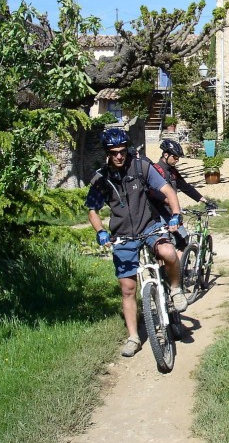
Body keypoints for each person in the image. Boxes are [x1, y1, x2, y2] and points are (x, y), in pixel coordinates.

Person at [85, 128, 188, 358]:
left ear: (127, 149)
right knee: (128, 288)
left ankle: (175, 288)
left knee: (169, 252)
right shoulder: (102, 179)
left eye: (122, 151)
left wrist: (175, 214)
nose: (119, 157)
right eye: (113, 153)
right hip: (122, 235)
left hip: (149, 227)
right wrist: (100, 231)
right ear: (107, 153)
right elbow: (92, 210)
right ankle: (133, 337)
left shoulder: (141, 167)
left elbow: (167, 190)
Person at [150, 138, 215, 251]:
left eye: (178, 158)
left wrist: (204, 200)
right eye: (175, 157)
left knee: (183, 241)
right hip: (159, 214)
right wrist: (168, 201)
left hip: (172, 213)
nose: (177, 160)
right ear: (166, 155)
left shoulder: (172, 171)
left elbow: (185, 187)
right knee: (163, 247)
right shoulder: (154, 170)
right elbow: (152, 192)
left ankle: (181, 267)